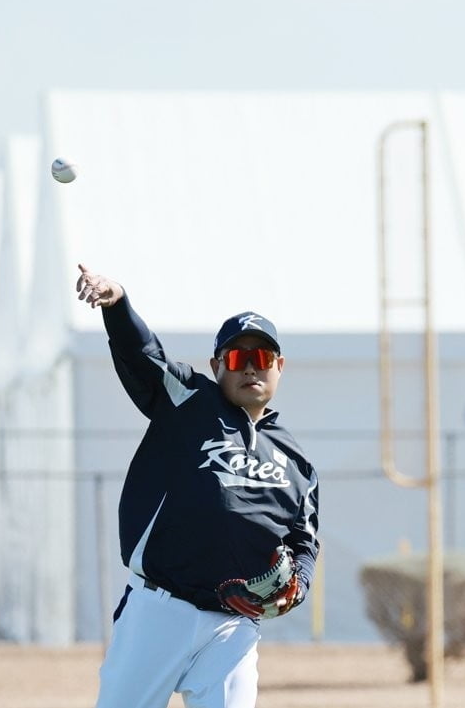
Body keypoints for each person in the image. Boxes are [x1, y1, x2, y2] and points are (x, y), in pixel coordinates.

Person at [75, 263, 319, 708]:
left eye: (261, 358)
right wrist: (118, 302)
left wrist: (298, 583)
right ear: (216, 365)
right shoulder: (189, 402)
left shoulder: (296, 461)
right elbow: (144, 355)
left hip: (234, 625)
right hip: (158, 611)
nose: (250, 368)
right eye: (237, 357)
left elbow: (304, 541)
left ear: (279, 366)